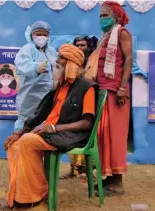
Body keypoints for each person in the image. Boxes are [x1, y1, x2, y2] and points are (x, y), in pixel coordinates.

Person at [0, 44, 98, 210]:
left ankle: (30, 197)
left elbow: (87, 123)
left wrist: (54, 128)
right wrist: (19, 132)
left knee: (27, 142)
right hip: (51, 132)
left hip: (70, 135)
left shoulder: (86, 87)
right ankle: (15, 195)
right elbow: (39, 115)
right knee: (14, 145)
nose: (56, 60)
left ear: (71, 63)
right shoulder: (60, 86)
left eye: (61, 58)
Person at [84, 0, 132, 197]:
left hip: (116, 92)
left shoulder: (122, 33)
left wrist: (122, 87)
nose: (102, 19)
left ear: (116, 16)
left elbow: (128, 60)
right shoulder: (105, 38)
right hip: (103, 91)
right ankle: (109, 178)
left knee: (116, 136)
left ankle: (118, 182)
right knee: (104, 135)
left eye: (105, 15)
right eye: (100, 16)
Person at [60, 35, 99, 180]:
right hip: (73, 103)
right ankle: (72, 171)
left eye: (83, 45)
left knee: (84, 131)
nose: (80, 47)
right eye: (78, 45)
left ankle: (87, 171)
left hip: (87, 100)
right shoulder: (68, 65)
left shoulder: (91, 62)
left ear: (88, 47)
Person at [12, 21, 58, 138]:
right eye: (38, 34)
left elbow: (58, 68)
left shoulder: (52, 51)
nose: (41, 37)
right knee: (26, 124)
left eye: (44, 34)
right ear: (32, 35)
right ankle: (19, 151)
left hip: (48, 95)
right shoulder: (27, 49)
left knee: (43, 127)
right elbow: (22, 64)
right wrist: (35, 67)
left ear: (48, 36)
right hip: (30, 95)